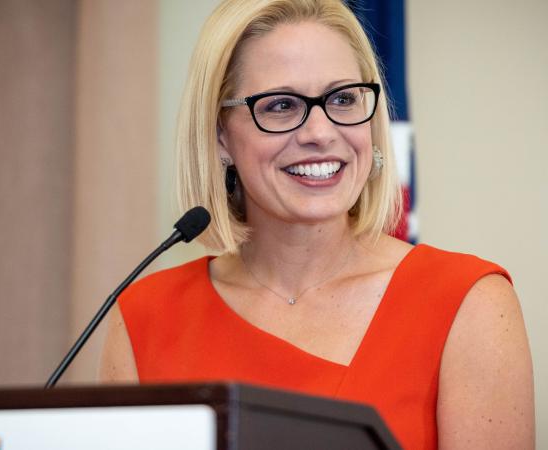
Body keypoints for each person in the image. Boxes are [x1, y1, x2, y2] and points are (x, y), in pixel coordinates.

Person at [99, 0, 535, 448]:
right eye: (282, 105)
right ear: (221, 136)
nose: (320, 133)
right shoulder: (144, 318)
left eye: (343, 99)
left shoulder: (468, 303)